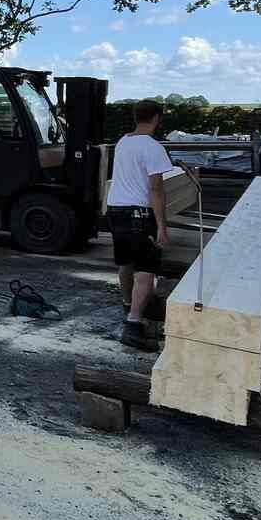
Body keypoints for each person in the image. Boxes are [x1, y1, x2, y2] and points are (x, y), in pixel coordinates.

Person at [104, 99, 175, 352]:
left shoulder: (124, 141)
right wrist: (162, 228)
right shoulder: (153, 147)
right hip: (138, 214)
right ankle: (133, 325)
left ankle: (128, 304)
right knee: (145, 270)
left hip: (116, 210)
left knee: (126, 263)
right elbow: (156, 189)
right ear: (156, 118)